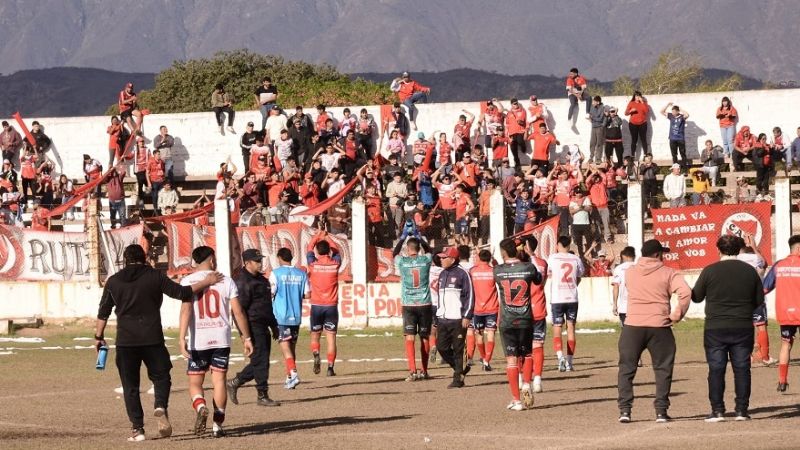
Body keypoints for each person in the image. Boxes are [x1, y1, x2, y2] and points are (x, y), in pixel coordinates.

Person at [94, 244, 222, 442]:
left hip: (126, 341)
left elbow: (103, 312)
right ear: (144, 258)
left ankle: (138, 429)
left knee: (130, 386)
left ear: (125, 260)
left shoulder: (113, 281)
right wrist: (207, 281)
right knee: (162, 377)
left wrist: (98, 337)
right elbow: (182, 292)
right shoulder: (154, 276)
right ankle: (160, 405)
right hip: (152, 337)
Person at [178, 246, 253, 437]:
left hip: (199, 340)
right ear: (211, 259)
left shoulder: (187, 282)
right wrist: (246, 337)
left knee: (195, 382)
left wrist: (181, 337)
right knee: (219, 381)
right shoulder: (226, 281)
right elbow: (238, 312)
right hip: (221, 339)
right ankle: (217, 425)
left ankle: (200, 406)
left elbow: (186, 310)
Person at [617, 239, 691, 424]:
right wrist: (677, 314)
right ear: (658, 254)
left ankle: (625, 410)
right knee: (663, 368)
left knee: (626, 369)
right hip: (659, 325)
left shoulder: (630, 272)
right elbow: (685, 292)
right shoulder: (669, 273)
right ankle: (661, 411)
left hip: (633, 325)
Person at [691, 235, 764, 422]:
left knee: (716, 369)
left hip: (715, 328)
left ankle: (717, 410)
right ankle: (741, 410)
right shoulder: (749, 271)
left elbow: (696, 297)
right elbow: (759, 301)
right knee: (742, 368)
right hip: (742, 326)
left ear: (718, 250)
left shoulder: (710, 271)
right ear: (739, 250)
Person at [226, 249, 281, 407]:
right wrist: (244, 334)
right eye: (256, 261)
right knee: (261, 361)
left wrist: (274, 325)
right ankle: (262, 395)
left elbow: (267, 306)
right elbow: (238, 311)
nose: (260, 263)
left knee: (260, 361)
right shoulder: (242, 281)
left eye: (260, 260)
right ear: (247, 263)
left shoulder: (262, 280)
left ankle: (235, 382)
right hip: (252, 325)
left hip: (264, 325)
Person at [492, 239, 542, 411]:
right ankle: (527, 384)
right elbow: (539, 280)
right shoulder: (528, 267)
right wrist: (530, 256)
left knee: (512, 359)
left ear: (503, 253)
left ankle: (516, 400)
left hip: (507, 320)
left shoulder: (498, 270)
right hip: (525, 318)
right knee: (527, 354)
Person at [393, 235, 434, 381]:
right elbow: (429, 251)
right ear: (419, 248)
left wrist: (402, 238)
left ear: (407, 249)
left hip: (408, 304)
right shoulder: (425, 260)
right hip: (424, 303)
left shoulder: (403, 261)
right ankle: (424, 371)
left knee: (409, 337)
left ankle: (412, 371)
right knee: (424, 337)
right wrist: (421, 239)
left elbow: (394, 254)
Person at [762, 235, 800, 393]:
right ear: (798, 248)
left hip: (785, 313)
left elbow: (764, 288)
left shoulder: (779, 265)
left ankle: (782, 381)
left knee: (786, 344)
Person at [269, 247, 308, 390]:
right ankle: (289, 378)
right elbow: (308, 294)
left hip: (281, 316)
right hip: (296, 316)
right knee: (292, 348)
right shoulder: (301, 274)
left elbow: (271, 292)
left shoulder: (275, 273)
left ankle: (294, 373)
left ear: (279, 258)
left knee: (285, 348)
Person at [435, 246, 474, 388]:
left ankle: (458, 379)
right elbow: (440, 297)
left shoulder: (463, 274)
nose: (441, 260)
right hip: (443, 318)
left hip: (458, 318)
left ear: (452, 259)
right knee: (442, 347)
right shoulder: (442, 274)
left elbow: (470, 295)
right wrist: (437, 315)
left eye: (443, 258)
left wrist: (467, 316)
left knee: (458, 349)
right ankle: (461, 368)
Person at [546, 236, 585, 372]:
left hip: (557, 298)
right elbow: (579, 276)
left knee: (557, 327)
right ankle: (569, 362)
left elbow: (549, 274)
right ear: (569, 245)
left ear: (558, 245)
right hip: (572, 298)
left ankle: (560, 357)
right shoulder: (576, 259)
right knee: (571, 328)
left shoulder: (552, 258)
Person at [307, 231, 342, 376]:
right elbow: (337, 251)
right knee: (331, 338)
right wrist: (327, 236)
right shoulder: (335, 264)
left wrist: (318, 234)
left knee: (315, 335)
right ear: (329, 251)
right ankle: (330, 368)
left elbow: (309, 247)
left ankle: (316, 353)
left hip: (316, 305)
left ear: (317, 251)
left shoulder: (313, 264)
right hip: (331, 306)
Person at [468, 250, 499, 372]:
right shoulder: (494, 271)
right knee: (490, 334)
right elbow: (500, 271)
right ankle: (486, 361)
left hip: (477, 309)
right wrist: (494, 261)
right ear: (489, 258)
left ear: (479, 258)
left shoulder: (473, 271)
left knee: (479, 334)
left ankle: (483, 357)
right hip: (492, 307)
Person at [611, 246, 636, 324]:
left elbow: (616, 287)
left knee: (625, 330)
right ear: (634, 256)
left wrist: (615, 305)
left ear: (624, 256)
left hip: (624, 307)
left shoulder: (619, 268)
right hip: (638, 308)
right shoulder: (640, 267)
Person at [661, 103, 690, 167]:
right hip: (672, 138)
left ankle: (684, 167)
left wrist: (680, 108)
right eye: (672, 111)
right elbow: (662, 111)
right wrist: (667, 105)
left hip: (680, 138)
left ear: (678, 111)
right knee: (674, 154)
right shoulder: (670, 116)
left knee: (682, 153)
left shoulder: (682, 117)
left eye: (674, 111)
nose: (673, 113)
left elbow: (687, 114)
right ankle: (675, 167)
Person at [625, 91, 650, 159]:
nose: (637, 97)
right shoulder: (631, 103)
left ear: (640, 97)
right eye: (636, 96)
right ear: (634, 97)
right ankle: (632, 156)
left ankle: (645, 155)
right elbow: (626, 113)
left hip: (643, 123)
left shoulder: (644, 103)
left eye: (639, 96)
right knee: (634, 140)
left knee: (643, 140)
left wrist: (642, 102)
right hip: (633, 124)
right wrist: (631, 111)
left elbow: (646, 111)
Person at [146, 149, 166, 214]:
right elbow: (147, 173)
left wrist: (164, 178)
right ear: (154, 155)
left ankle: (162, 209)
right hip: (154, 180)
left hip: (161, 180)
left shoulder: (161, 161)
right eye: (158, 154)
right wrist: (149, 183)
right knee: (155, 195)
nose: (159, 155)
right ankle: (155, 209)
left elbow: (163, 170)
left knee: (162, 195)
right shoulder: (150, 161)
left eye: (160, 154)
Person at [588, 96, 606, 164]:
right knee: (592, 143)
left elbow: (600, 119)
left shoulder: (602, 108)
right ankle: (591, 158)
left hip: (599, 127)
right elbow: (590, 116)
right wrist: (592, 118)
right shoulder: (592, 107)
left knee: (599, 143)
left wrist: (593, 118)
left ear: (598, 102)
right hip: (593, 127)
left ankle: (598, 159)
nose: (592, 103)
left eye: (594, 101)